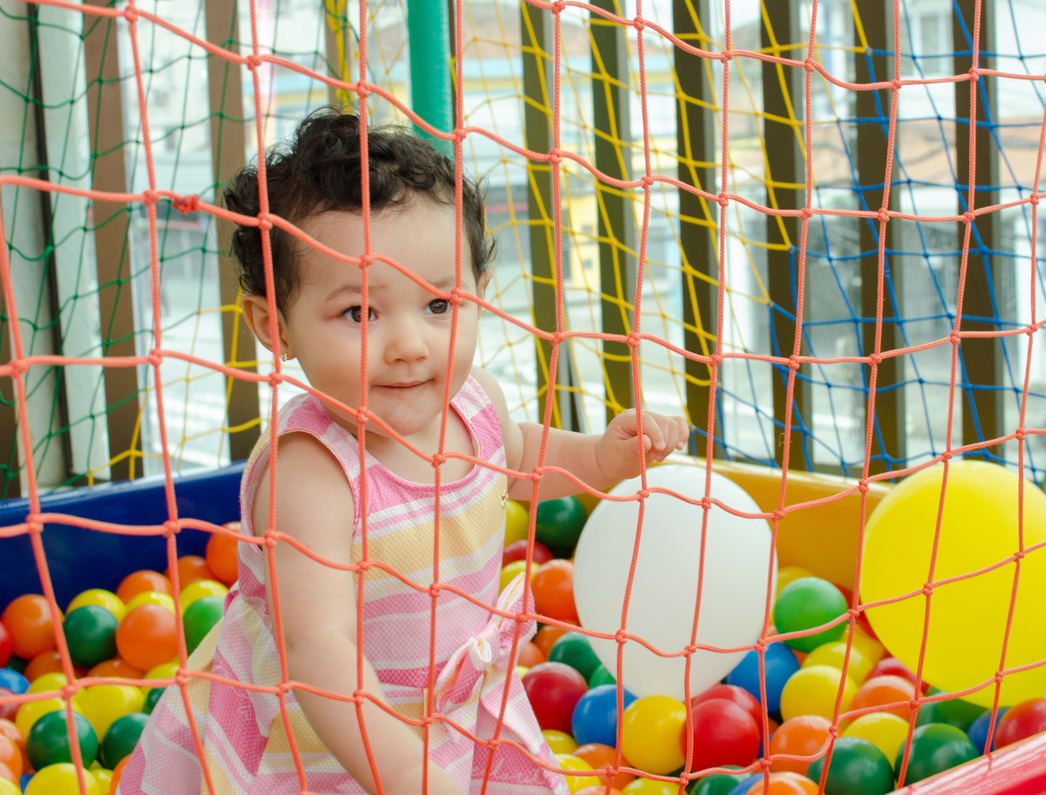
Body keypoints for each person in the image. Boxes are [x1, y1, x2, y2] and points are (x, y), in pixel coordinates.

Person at [117, 111, 687, 795]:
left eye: (440, 304)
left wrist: (599, 458)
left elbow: (520, 454)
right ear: (276, 326)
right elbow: (321, 656)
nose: (410, 343)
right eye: (361, 312)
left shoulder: (474, 402)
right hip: (326, 743)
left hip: (458, 712)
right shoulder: (312, 472)